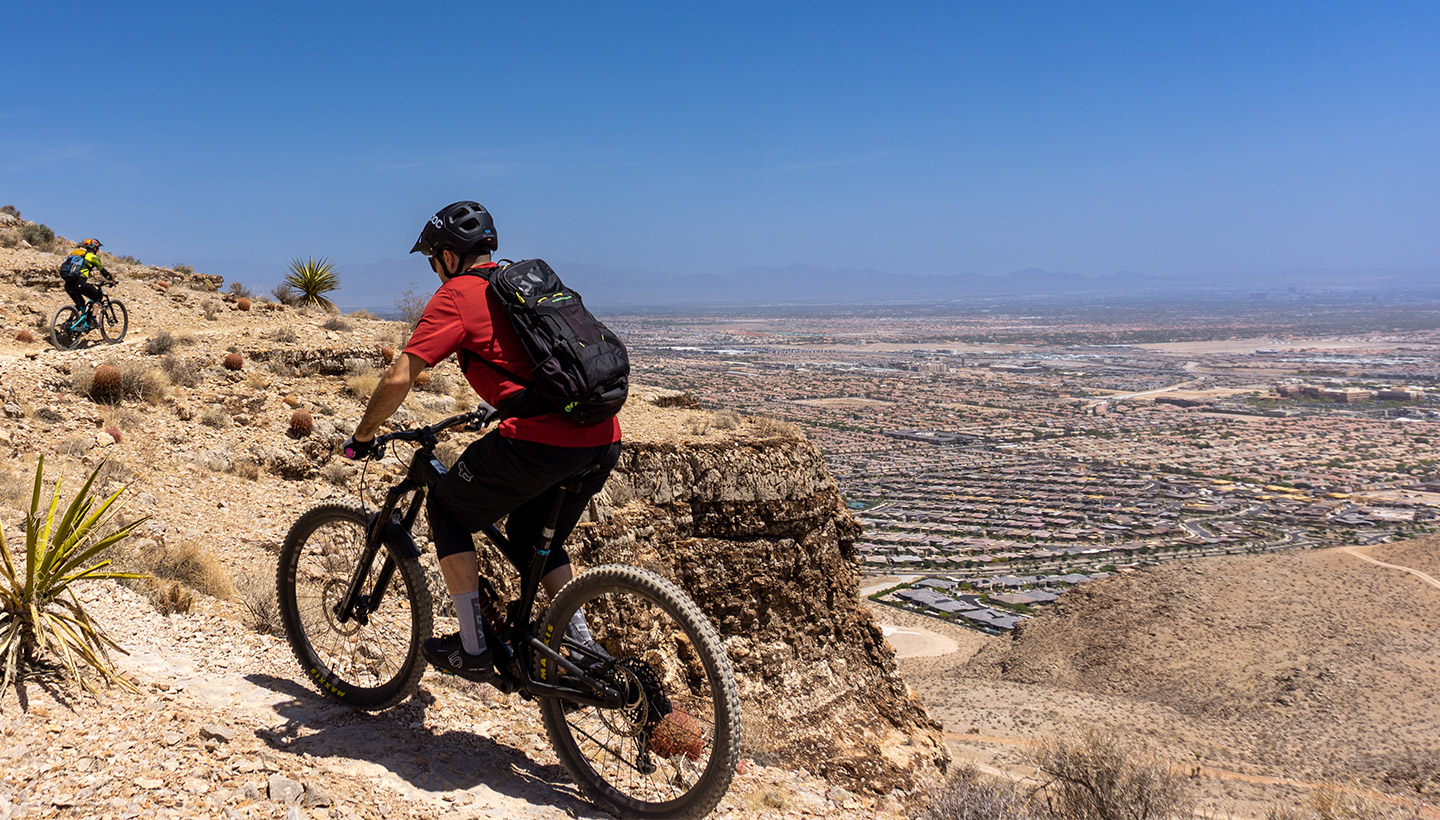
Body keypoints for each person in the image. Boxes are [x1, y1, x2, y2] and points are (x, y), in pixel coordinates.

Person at [342, 201, 622, 683]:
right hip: (601, 436)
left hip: (542, 442)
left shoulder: (456, 296)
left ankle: (473, 647)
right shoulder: (519, 287)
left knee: (447, 509)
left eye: (433, 260)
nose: (434, 270)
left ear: (449, 256)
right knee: (531, 538)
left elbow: (398, 377)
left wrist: (362, 435)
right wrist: (500, 404)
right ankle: (581, 648)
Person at [62, 238, 112, 316]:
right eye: (97, 248)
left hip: (68, 284)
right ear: (94, 248)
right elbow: (103, 272)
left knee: (80, 304)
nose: (98, 250)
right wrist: (112, 280)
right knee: (98, 297)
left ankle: (70, 321)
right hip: (79, 283)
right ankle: (93, 319)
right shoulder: (93, 257)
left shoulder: (76, 253)